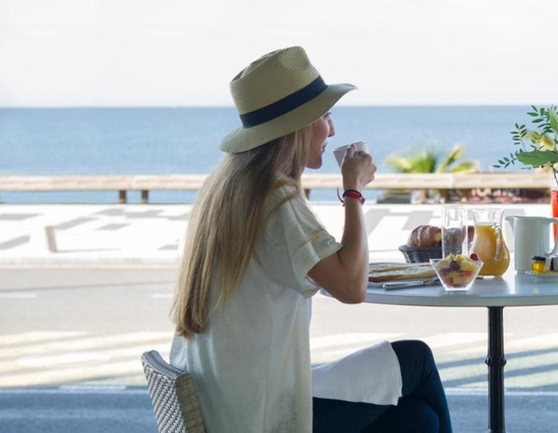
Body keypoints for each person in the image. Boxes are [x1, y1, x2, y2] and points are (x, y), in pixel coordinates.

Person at [170, 46, 453, 433]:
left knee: (418, 422)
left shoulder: (229, 187)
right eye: (325, 115)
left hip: (228, 398)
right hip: (258, 413)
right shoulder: (273, 199)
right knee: (416, 360)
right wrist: (353, 190)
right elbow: (351, 287)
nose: (332, 130)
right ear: (298, 125)